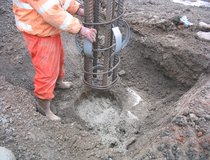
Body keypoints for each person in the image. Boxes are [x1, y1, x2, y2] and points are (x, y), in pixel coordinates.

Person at [13, 0, 97, 120]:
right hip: (38, 33)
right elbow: (51, 12)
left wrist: (77, 9)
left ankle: (58, 82)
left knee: (58, 59)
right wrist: (80, 29)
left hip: (48, 28)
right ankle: (43, 105)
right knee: (47, 70)